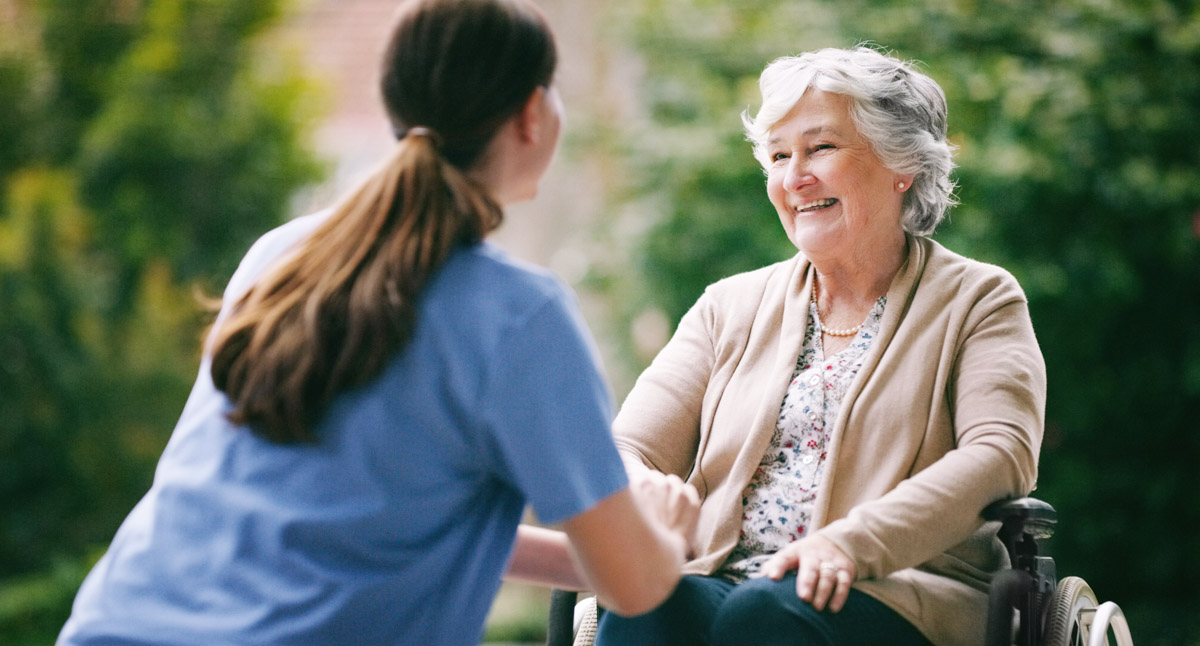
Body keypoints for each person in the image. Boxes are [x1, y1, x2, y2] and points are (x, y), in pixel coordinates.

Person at [56, 1, 698, 644]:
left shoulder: (283, 256)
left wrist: (589, 558)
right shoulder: (521, 319)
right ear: (532, 114)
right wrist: (666, 538)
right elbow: (635, 587)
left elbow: (378, 523)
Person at [594, 46, 1046, 646]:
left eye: (820, 148)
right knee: (645, 605)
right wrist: (643, 488)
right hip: (723, 578)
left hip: (896, 589)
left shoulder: (978, 300)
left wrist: (851, 544)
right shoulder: (728, 305)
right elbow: (629, 447)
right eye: (779, 156)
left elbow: (1001, 454)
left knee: (765, 615)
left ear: (900, 163)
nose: (793, 177)